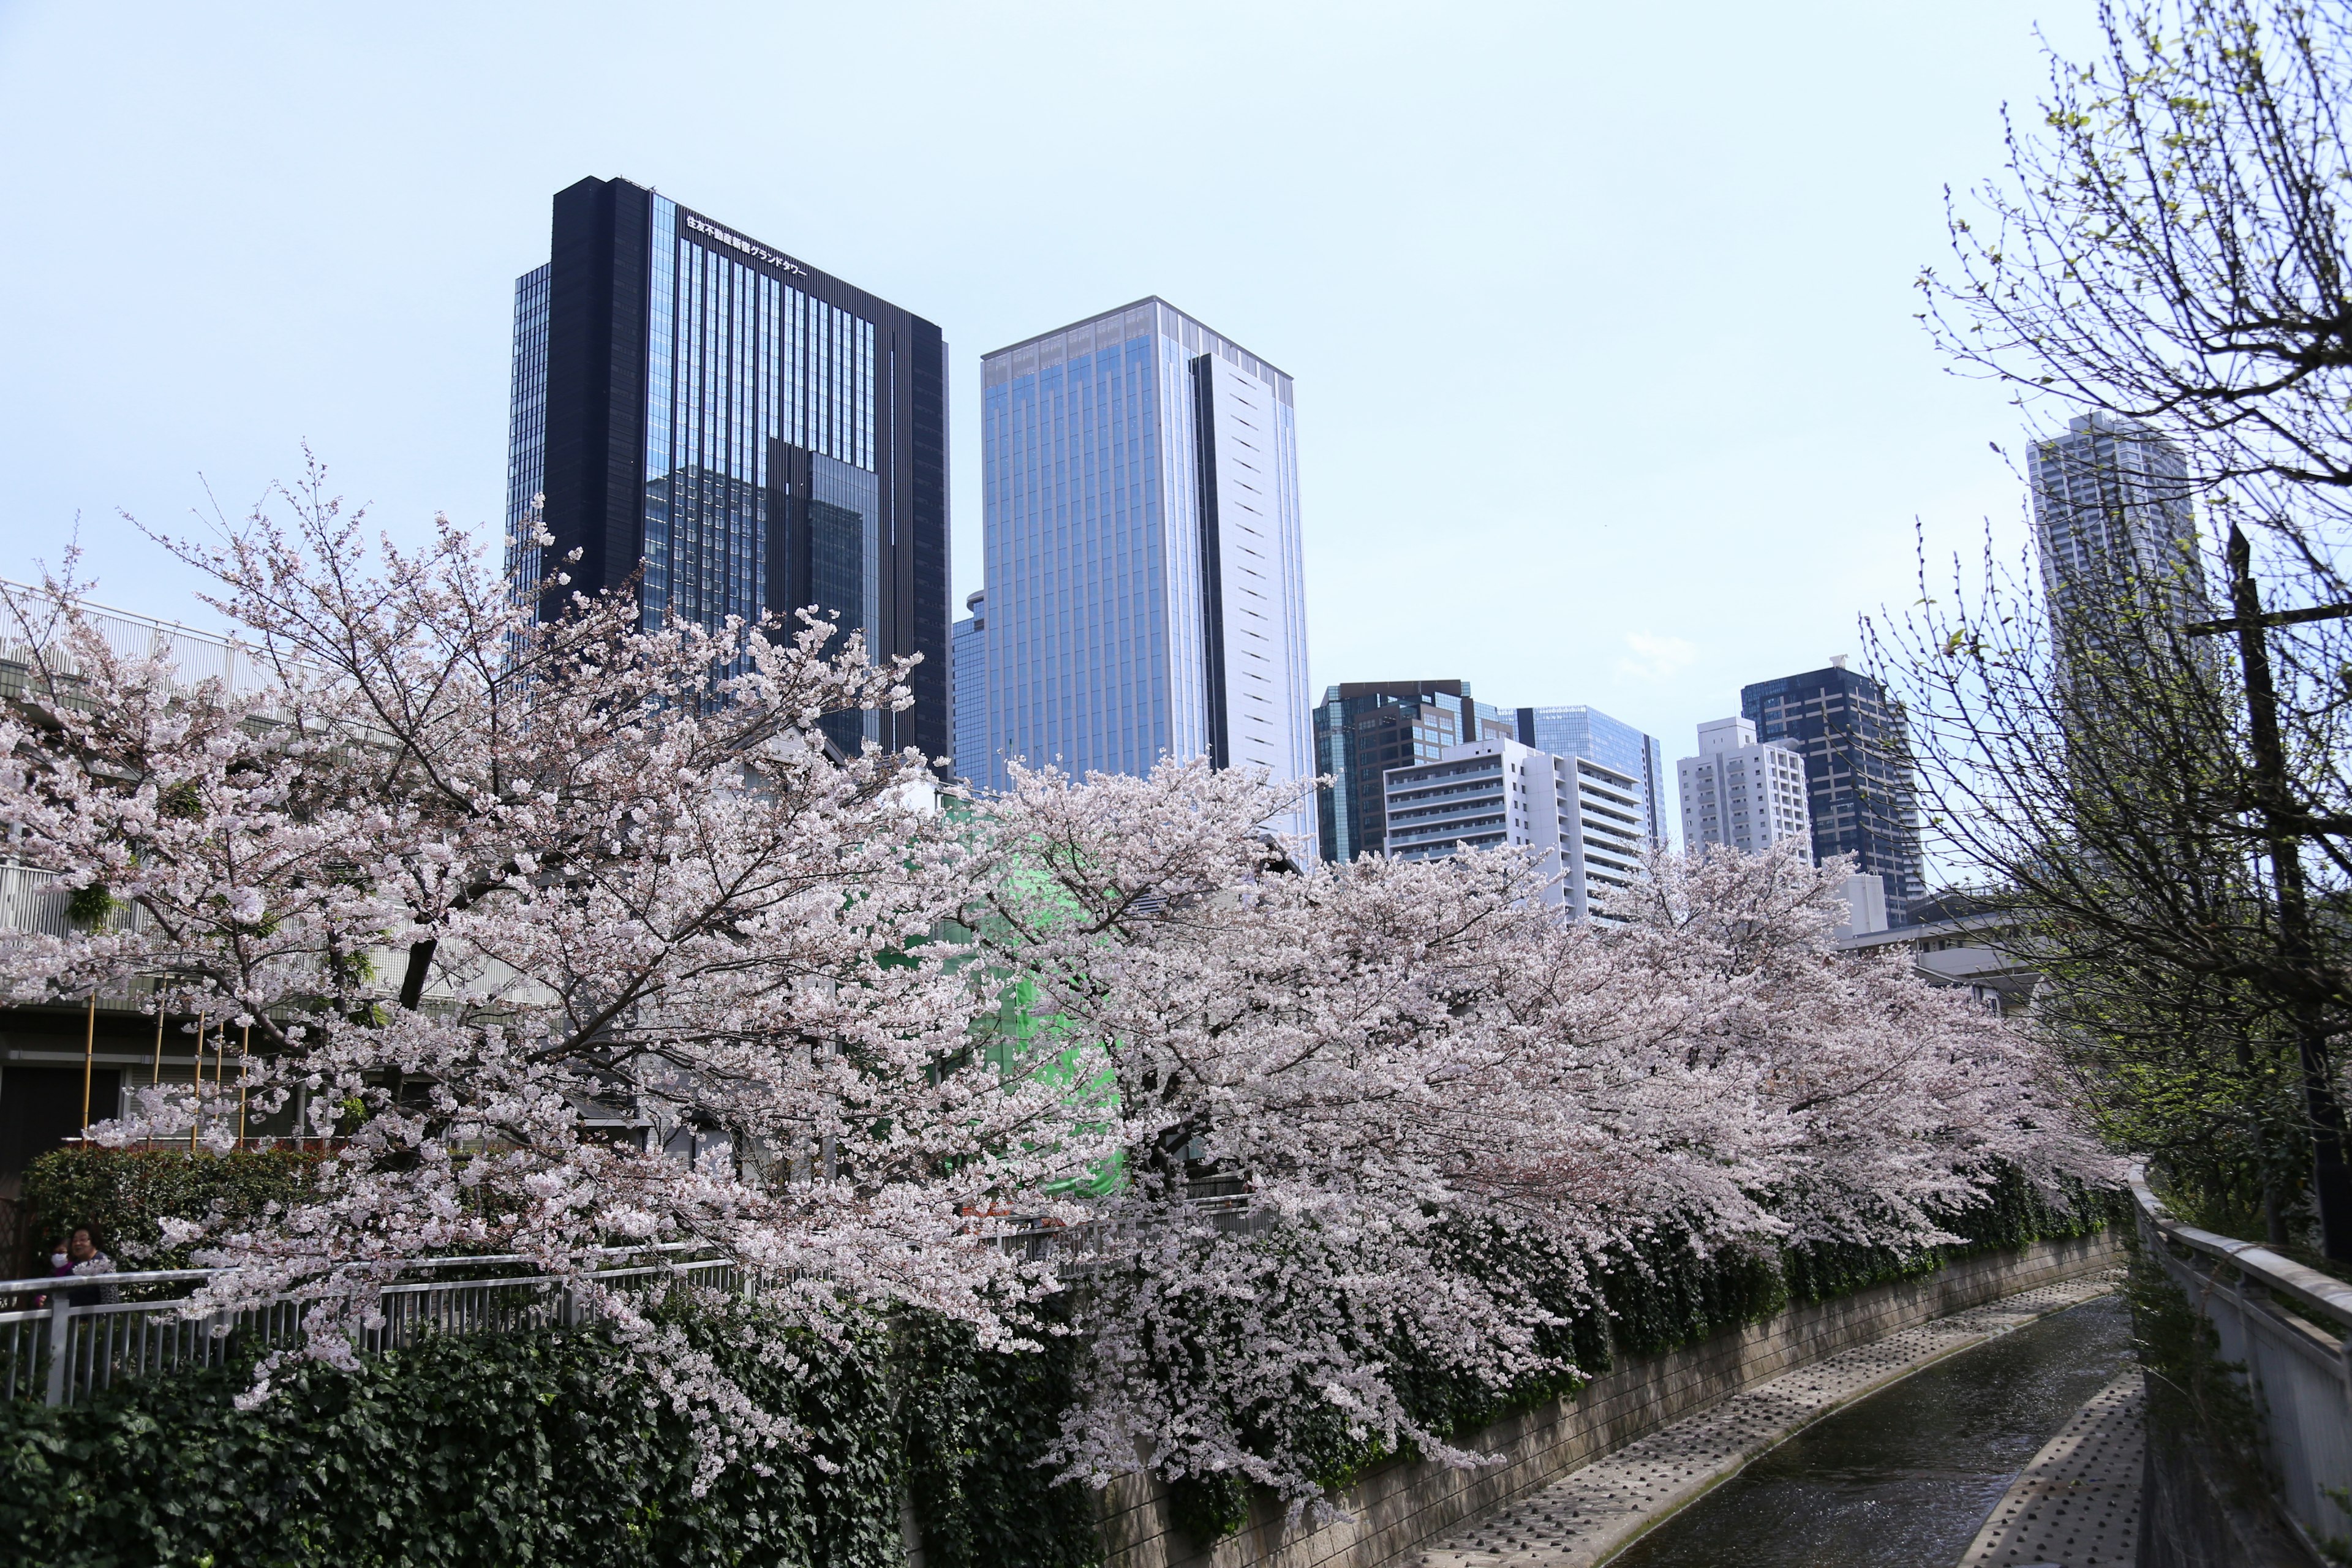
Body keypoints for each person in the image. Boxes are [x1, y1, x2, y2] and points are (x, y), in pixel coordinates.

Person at [59, 1227, 118, 1308]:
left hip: (94, 1318)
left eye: (83, 1240)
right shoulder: (73, 1264)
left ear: (94, 1242)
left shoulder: (104, 1263)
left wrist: (103, 1319)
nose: (77, 1243)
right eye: (75, 1241)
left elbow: (110, 1298)